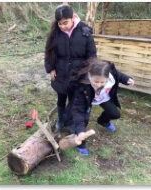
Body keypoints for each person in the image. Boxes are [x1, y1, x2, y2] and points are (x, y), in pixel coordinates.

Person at [44, 4, 97, 133]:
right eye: (60, 23)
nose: (62, 26)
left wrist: (86, 73)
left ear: (73, 17)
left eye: (65, 23)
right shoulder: (55, 33)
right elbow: (49, 52)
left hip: (78, 73)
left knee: (75, 100)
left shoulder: (85, 32)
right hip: (60, 72)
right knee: (61, 97)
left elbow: (92, 55)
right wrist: (51, 68)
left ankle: (74, 124)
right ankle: (61, 121)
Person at [69, 59, 134, 155]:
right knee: (83, 121)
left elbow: (118, 75)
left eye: (102, 82)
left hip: (103, 97)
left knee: (115, 114)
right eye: (96, 81)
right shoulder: (83, 86)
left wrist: (126, 79)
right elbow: (78, 110)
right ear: (89, 75)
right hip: (88, 99)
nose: (99, 85)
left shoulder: (110, 74)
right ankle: (80, 143)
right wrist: (80, 131)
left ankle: (103, 121)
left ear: (108, 77)